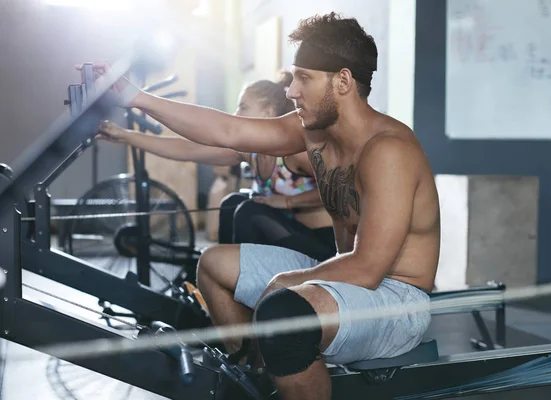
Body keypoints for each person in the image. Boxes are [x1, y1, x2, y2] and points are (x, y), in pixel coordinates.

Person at [82, 12, 440, 400]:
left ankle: (284, 364)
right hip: (343, 276)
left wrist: (284, 283)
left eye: (304, 77)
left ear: (343, 81)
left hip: (395, 300)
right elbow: (228, 131)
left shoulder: (388, 151)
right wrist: (134, 96)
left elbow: (369, 268)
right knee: (214, 265)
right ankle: (259, 380)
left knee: (282, 314)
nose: (291, 90)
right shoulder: (314, 132)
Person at [97, 72, 336, 262]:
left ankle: (238, 285)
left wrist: (288, 202)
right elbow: (187, 149)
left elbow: (341, 190)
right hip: (283, 237)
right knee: (231, 204)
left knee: (248, 211)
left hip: (320, 245)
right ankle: (227, 279)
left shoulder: (296, 154)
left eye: (243, 107)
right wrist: (125, 136)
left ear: (269, 112)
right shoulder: (248, 151)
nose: (236, 114)